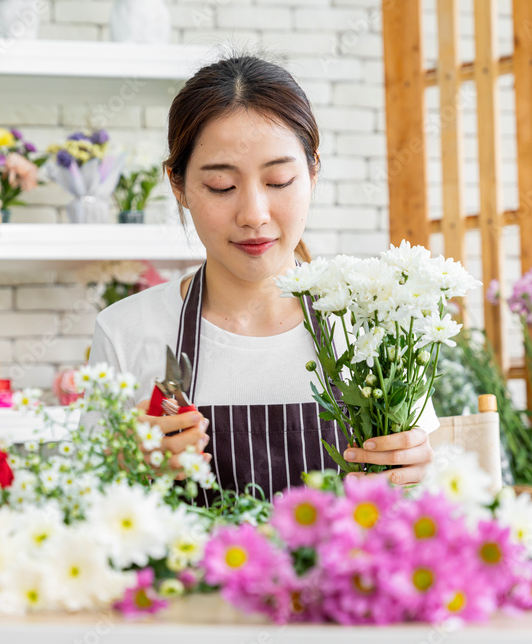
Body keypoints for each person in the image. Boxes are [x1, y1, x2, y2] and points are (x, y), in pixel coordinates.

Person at [85, 54, 438, 502]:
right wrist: (125, 465)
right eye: (221, 187)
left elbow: (431, 495)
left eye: (279, 180)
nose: (254, 215)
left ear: (312, 171)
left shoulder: (373, 324)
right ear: (178, 186)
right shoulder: (126, 331)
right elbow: (87, 514)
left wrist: (419, 469)